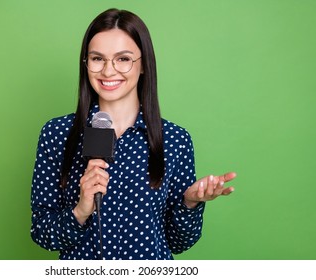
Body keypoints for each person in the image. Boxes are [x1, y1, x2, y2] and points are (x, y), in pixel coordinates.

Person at [30, 8, 236, 260]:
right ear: (86, 64)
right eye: (97, 58)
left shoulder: (175, 139)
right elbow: (42, 233)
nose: (108, 71)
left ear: (143, 66)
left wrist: (189, 203)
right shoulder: (57, 134)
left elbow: (178, 242)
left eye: (123, 59)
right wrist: (81, 209)